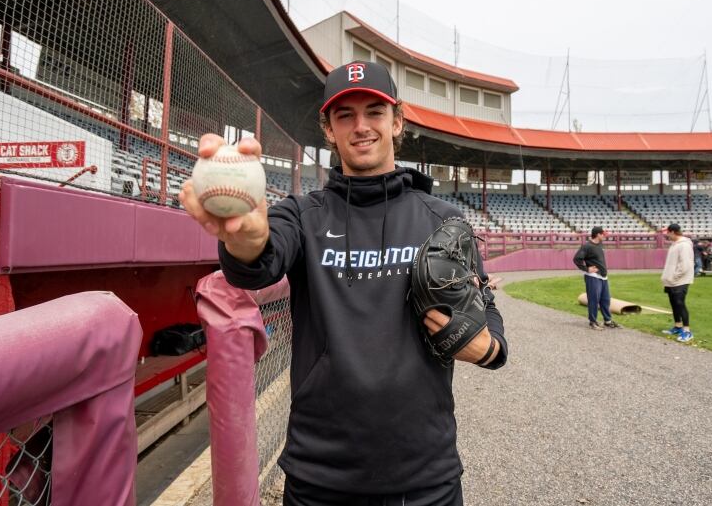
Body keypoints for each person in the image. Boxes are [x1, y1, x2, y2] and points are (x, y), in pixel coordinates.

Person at [180, 60, 507, 505]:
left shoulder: (442, 218)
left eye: (374, 111)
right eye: (344, 115)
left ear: (397, 122)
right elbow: (257, 263)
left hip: (425, 473)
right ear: (329, 130)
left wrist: (489, 349)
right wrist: (246, 240)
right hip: (320, 476)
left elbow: (484, 304)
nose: (361, 126)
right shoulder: (301, 214)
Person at [573, 226, 620, 330]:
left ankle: (607, 321)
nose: (604, 236)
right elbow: (576, 259)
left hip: (603, 277)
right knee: (594, 300)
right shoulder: (587, 246)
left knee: (605, 300)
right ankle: (593, 322)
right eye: (603, 234)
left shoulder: (600, 244)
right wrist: (586, 269)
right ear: (598, 234)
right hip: (593, 277)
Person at [661, 223, 694, 342]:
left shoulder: (684, 245)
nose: (667, 235)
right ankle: (677, 326)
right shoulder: (674, 244)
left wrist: (674, 277)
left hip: (680, 281)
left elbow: (685, 265)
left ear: (673, 232)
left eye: (668, 233)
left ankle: (687, 331)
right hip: (671, 281)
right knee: (674, 303)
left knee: (680, 303)